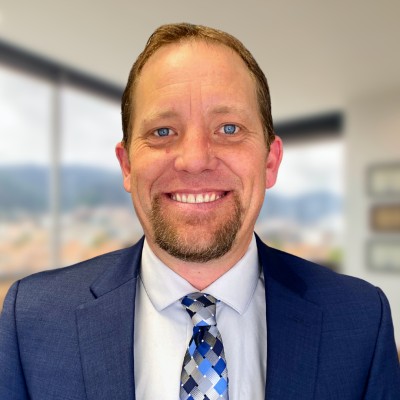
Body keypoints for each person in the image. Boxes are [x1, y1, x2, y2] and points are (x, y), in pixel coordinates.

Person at [0, 23, 399, 400]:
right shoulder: (32, 319)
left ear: (270, 161)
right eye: (162, 131)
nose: (194, 160)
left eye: (228, 128)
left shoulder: (361, 320)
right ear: (127, 166)